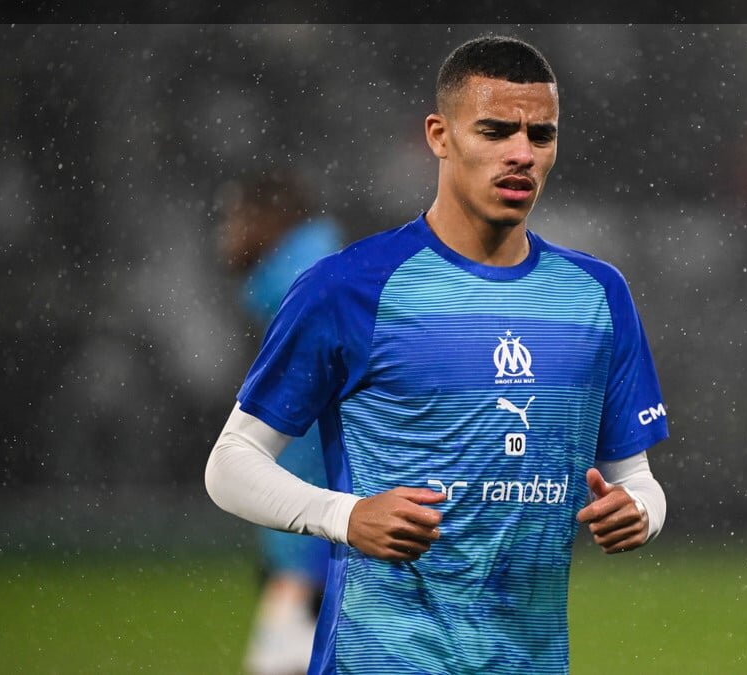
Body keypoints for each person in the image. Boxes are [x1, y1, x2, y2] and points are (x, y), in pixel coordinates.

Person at [205, 36, 669, 674]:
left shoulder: (597, 296)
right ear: (439, 135)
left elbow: (637, 478)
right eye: (495, 131)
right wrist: (345, 516)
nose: (521, 153)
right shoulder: (349, 288)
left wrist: (641, 510)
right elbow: (230, 464)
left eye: (541, 135)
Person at [216, 168, 343, 675]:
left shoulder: (309, 292)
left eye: (235, 216)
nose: (226, 232)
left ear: (273, 218)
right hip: (310, 557)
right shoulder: (304, 286)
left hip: (321, 564)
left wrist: (316, 565)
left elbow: (342, 430)